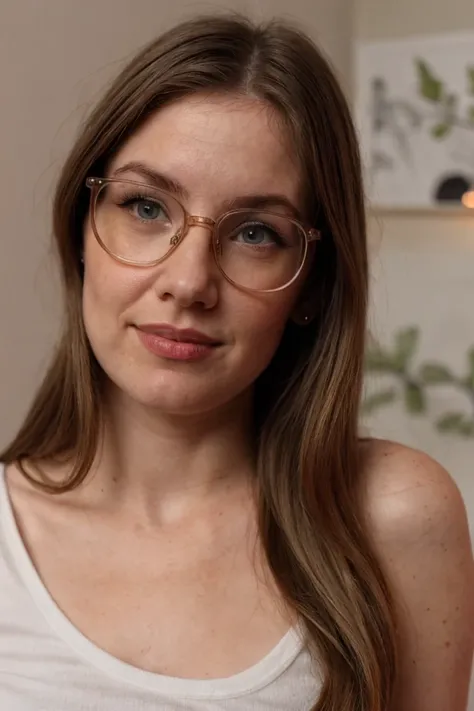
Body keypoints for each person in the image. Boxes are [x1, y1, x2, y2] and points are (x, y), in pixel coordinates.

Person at [0, 13, 472, 711]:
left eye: (256, 232)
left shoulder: (393, 519)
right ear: (82, 231)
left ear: (311, 282)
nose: (189, 282)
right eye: (146, 206)